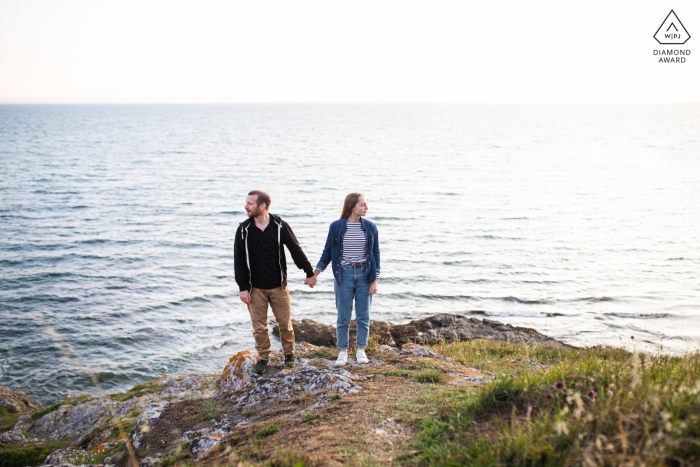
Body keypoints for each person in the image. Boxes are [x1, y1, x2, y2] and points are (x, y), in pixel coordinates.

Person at [234, 190, 315, 374]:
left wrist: (309, 273)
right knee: (259, 326)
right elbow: (238, 261)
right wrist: (243, 288)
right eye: (246, 203)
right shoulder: (243, 230)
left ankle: (289, 355)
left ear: (262, 206)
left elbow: (295, 249)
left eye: (250, 204)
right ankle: (263, 356)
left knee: (285, 324)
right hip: (255, 289)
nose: (245, 206)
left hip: (279, 286)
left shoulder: (280, 226)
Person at [306, 193, 380, 366]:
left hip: (365, 275)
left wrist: (375, 280)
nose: (366, 207)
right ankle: (342, 352)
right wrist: (315, 274)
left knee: (363, 316)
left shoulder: (370, 227)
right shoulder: (336, 227)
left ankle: (361, 350)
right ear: (353, 206)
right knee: (343, 316)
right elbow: (327, 253)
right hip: (343, 275)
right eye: (363, 205)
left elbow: (376, 254)